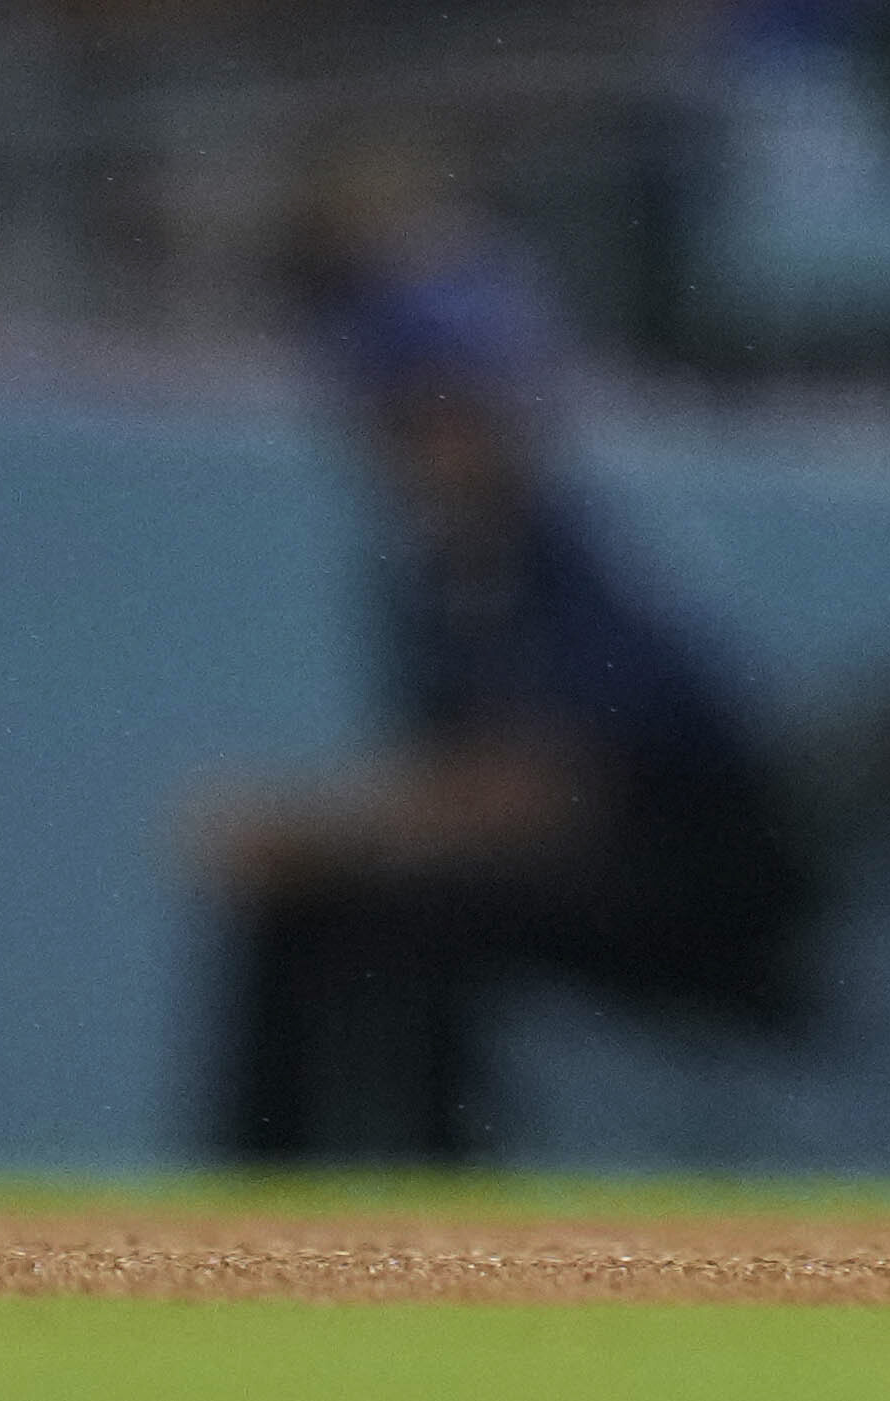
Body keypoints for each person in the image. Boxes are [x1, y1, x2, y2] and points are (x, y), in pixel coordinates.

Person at [196, 256, 820, 1162]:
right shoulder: (437, 570)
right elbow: (452, 772)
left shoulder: (579, 561)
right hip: (571, 871)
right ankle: (248, 1227)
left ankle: (443, 1214)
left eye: (458, 412)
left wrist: (319, 826)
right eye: (411, 417)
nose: (436, 442)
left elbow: (546, 790)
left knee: (419, 912)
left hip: (698, 889)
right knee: (297, 910)